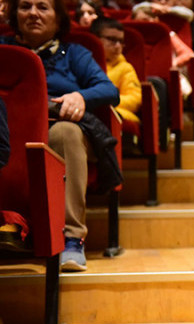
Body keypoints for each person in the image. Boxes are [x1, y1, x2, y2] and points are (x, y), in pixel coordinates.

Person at [2, 0, 120, 271]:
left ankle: (72, 238)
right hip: (8, 131)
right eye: (25, 6)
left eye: (43, 7)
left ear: (58, 18)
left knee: (66, 133)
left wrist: (81, 95)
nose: (33, 13)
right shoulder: (3, 47)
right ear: (14, 14)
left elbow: (109, 89)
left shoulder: (74, 53)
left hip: (57, 130)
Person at [90, 18, 142, 125]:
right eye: (112, 39)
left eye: (121, 42)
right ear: (96, 39)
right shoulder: (83, 63)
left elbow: (135, 100)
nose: (118, 46)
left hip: (116, 114)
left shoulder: (125, 67)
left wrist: (104, 102)